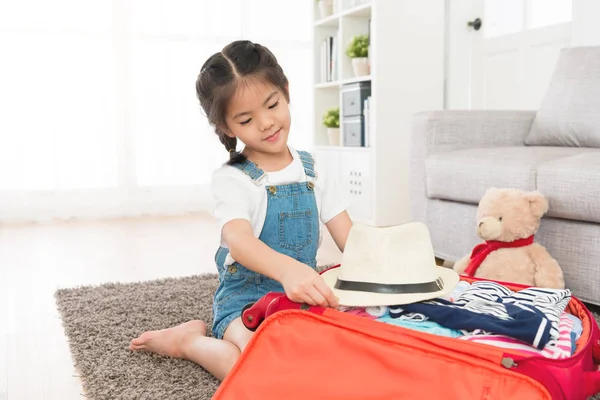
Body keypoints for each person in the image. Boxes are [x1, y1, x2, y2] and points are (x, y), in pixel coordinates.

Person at [130, 40, 353, 381]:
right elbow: (240, 242)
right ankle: (190, 341)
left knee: (329, 361)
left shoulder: (315, 169)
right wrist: (289, 271)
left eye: (272, 104)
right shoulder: (232, 180)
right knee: (259, 370)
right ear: (226, 128)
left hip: (300, 300)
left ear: (286, 91)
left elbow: (351, 239)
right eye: (247, 119)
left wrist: (389, 268)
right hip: (245, 303)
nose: (266, 123)